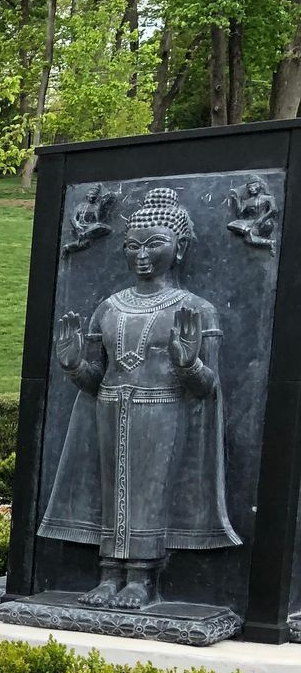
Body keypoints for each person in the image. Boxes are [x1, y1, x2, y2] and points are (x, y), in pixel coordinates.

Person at [38, 185, 239, 610]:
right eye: (132, 246)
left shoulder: (196, 309)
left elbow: (208, 387)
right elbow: (95, 378)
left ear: (179, 246)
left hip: (163, 409)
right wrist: (74, 365)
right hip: (110, 406)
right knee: (110, 489)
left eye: (155, 244)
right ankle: (109, 574)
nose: (141, 254)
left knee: (150, 491)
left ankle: (141, 580)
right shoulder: (108, 307)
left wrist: (188, 364)